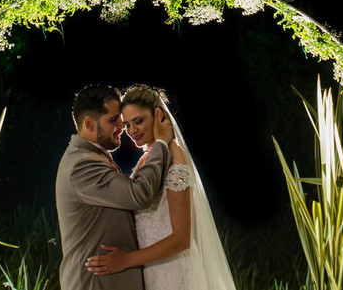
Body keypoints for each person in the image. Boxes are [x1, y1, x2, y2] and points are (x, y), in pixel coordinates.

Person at [85, 84, 238, 290]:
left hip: (175, 273)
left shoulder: (174, 158)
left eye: (139, 121)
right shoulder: (149, 157)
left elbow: (182, 238)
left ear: (158, 116)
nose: (132, 131)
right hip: (153, 271)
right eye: (128, 124)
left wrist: (127, 260)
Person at [56, 84, 173, 290]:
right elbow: (139, 194)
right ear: (89, 123)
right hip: (96, 284)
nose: (122, 126)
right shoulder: (82, 165)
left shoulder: (92, 156)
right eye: (113, 120)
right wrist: (161, 143)